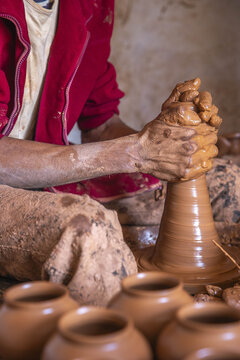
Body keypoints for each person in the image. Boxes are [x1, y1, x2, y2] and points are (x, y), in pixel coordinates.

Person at [0, 0, 238, 305]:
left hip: (50, 174)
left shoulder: (90, 6)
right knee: (88, 231)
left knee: (228, 183)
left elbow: (100, 124)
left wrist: (168, 137)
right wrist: (134, 152)